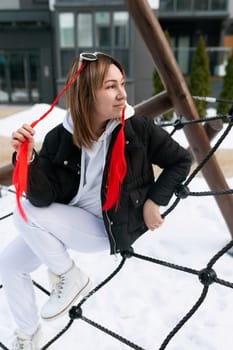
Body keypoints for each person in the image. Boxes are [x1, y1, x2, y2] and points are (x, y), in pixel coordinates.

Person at [0, 52, 192, 350]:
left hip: (109, 226)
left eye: (122, 84)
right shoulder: (59, 138)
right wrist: (29, 160)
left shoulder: (136, 129)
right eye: (111, 86)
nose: (122, 94)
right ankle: (28, 336)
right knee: (9, 263)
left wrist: (155, 201)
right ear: (88, 94)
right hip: (66, 222)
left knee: (22, 211)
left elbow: (181, 160)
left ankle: (67, 275)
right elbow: (42, 197)